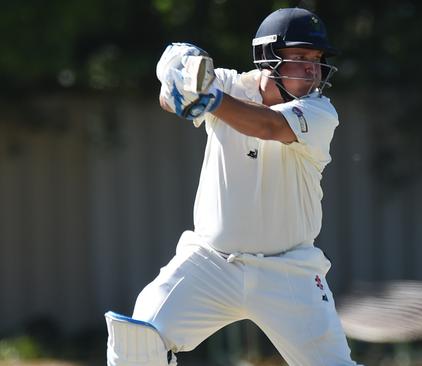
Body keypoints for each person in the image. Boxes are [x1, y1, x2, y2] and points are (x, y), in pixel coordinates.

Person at [104, 7, 359, 366]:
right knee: (137, 343)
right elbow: (170, 97)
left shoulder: (320, 113)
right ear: (267, 58)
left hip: (288, 272)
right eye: (300, 57)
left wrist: (209, 99)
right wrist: (180, 72)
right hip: (210, 263)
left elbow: (268, 126)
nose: (311, 70)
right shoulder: (226, 83)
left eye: (315, 60)